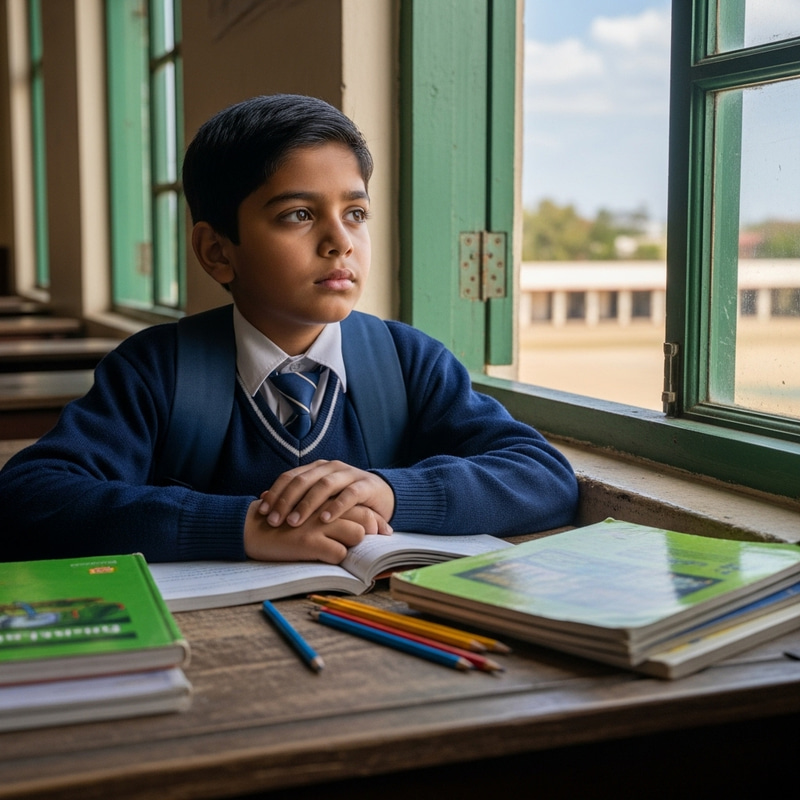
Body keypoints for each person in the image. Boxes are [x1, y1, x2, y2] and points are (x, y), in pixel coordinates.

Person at [0, 94, 578, 564]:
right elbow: (29, 497)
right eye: (298, 215)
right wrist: (241, 526)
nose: (340, 241)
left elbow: (543, 476)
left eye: (355, 213)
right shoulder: (157, 371)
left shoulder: (408, 361)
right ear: (217, 251)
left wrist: (389, 491)